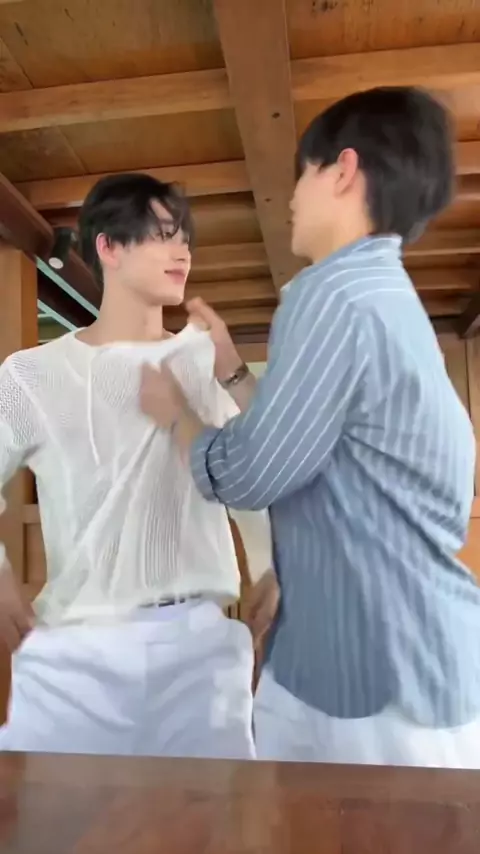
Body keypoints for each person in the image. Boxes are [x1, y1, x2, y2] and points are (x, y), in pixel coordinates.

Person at [139, 86, 480, 768]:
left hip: (373, 678)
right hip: (406, 662)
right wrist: (235, 371)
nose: (291, 198)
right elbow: (326, 449)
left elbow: (250, 472)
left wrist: (176, 415)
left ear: (343, 170)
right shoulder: (381, 298)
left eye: (303, 174)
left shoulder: (330, 295)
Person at [0, 172, 275, 758]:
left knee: (214, 811)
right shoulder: (31, 375)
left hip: (200, 649)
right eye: (163, 235)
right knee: (49, 811)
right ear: (109, 247)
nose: (183, 252)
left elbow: (251, 475)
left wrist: (272, 566)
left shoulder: (206, 359)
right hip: (74, 650)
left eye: (185, 238)